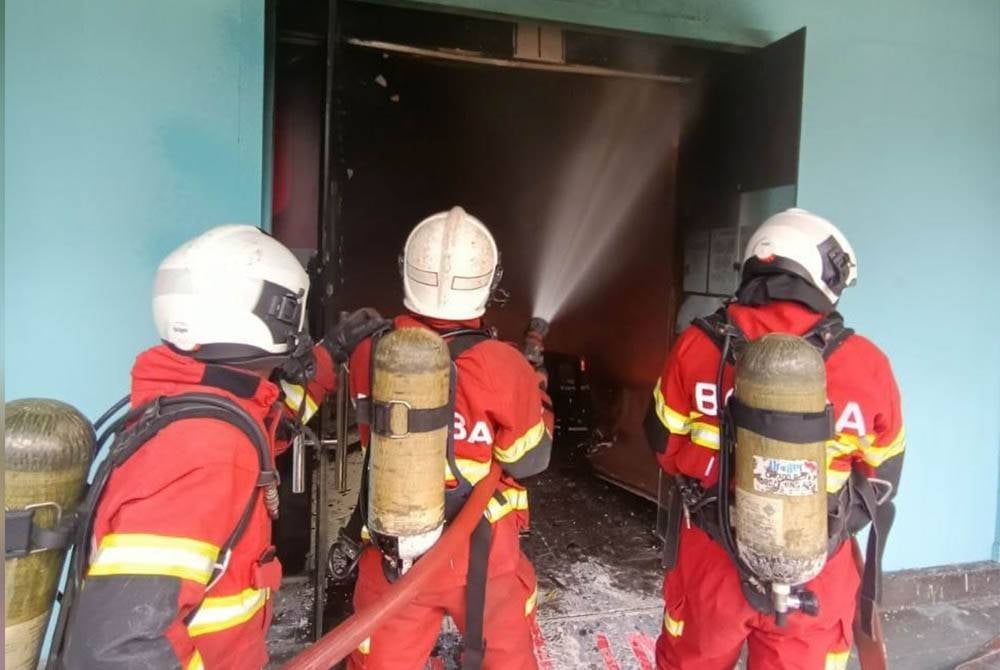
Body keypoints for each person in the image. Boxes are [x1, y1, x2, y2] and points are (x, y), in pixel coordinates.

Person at [60, 225, 382, 669]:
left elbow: (273, 426)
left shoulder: (207, 408)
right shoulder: (203, 451)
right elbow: (124, 649)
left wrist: (329, 354)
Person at [646, 209, 905, 670]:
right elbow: (882, 480)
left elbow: (663, 447)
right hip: (816, 570)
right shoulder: (867, 364)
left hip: (712, 559)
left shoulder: (697, 346)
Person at [331, 206, 552, 670]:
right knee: (507, 660)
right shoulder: (505, 365)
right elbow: (529, 460)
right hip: (482, 558)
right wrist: (539, 397)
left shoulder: (371, 350)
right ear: (488, 281)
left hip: (394, 555)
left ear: (407, 271)